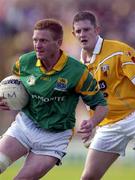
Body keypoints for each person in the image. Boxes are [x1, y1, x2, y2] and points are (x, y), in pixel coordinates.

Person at [0, 18, 108, 179]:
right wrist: (6, 96)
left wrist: (92, 123)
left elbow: (101, 105)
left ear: (58, 43)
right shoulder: (25, 62)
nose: (38, 45)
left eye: (43, 40)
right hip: (25, 125)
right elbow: (13, 83)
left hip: (55, 137)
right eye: (35, 40)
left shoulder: (77, 72)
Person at [72, 10, 135, 180]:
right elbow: (92, 102)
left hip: (134, 116)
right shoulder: (78, 68)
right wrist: (92, 124)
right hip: (109, 126)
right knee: (88, 177)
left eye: (86, 29)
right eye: (78, 31)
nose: (82, 34)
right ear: (73, 34)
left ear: (97, 30)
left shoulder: (119, 51)